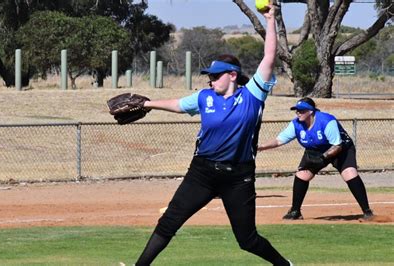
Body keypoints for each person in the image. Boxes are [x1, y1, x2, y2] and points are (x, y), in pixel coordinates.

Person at [134, 4, 292, 265]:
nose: (211, 80)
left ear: (232, 76)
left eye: (215, 75)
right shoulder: (204, 97)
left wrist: (271, 20)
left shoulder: (252, 95)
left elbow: (269, 57)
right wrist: (148, 104)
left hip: (238, 177)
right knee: (168, 222)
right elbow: (178, 104)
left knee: (247, 239)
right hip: (202, 173)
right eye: (209, 75)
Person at [257, 97, 374, 221]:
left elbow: (337, 145)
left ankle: (367, 212)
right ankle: (295, 211)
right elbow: (279, 140)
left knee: (349, 173)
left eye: (302, 110)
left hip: (341, 148)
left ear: (311, 111)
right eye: (297, 110)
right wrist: (261, 147)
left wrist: (323, 157)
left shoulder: (326, 121)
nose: (298, 113)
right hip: (316, 149)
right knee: (302, 175)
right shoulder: (296, 124)